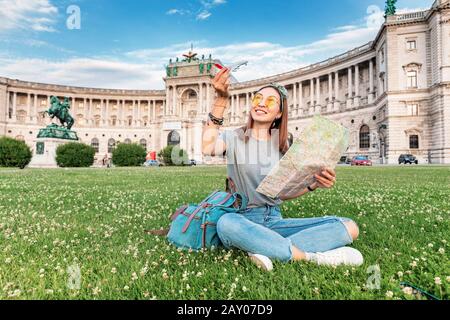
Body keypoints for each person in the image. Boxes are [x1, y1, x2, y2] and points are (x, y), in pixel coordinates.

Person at [202, 68, 363, 271]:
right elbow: (207, 147)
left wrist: (314, 184)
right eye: (257, 98)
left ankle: (262, 248)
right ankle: (309, 257)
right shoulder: (234, 137)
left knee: (349, 226)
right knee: (226, 223)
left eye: (270, 101)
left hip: (274, 220)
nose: (261, 103)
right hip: (241, 218)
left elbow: (283, 193)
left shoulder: (284, 145)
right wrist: (221, 100)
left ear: (279, 113)